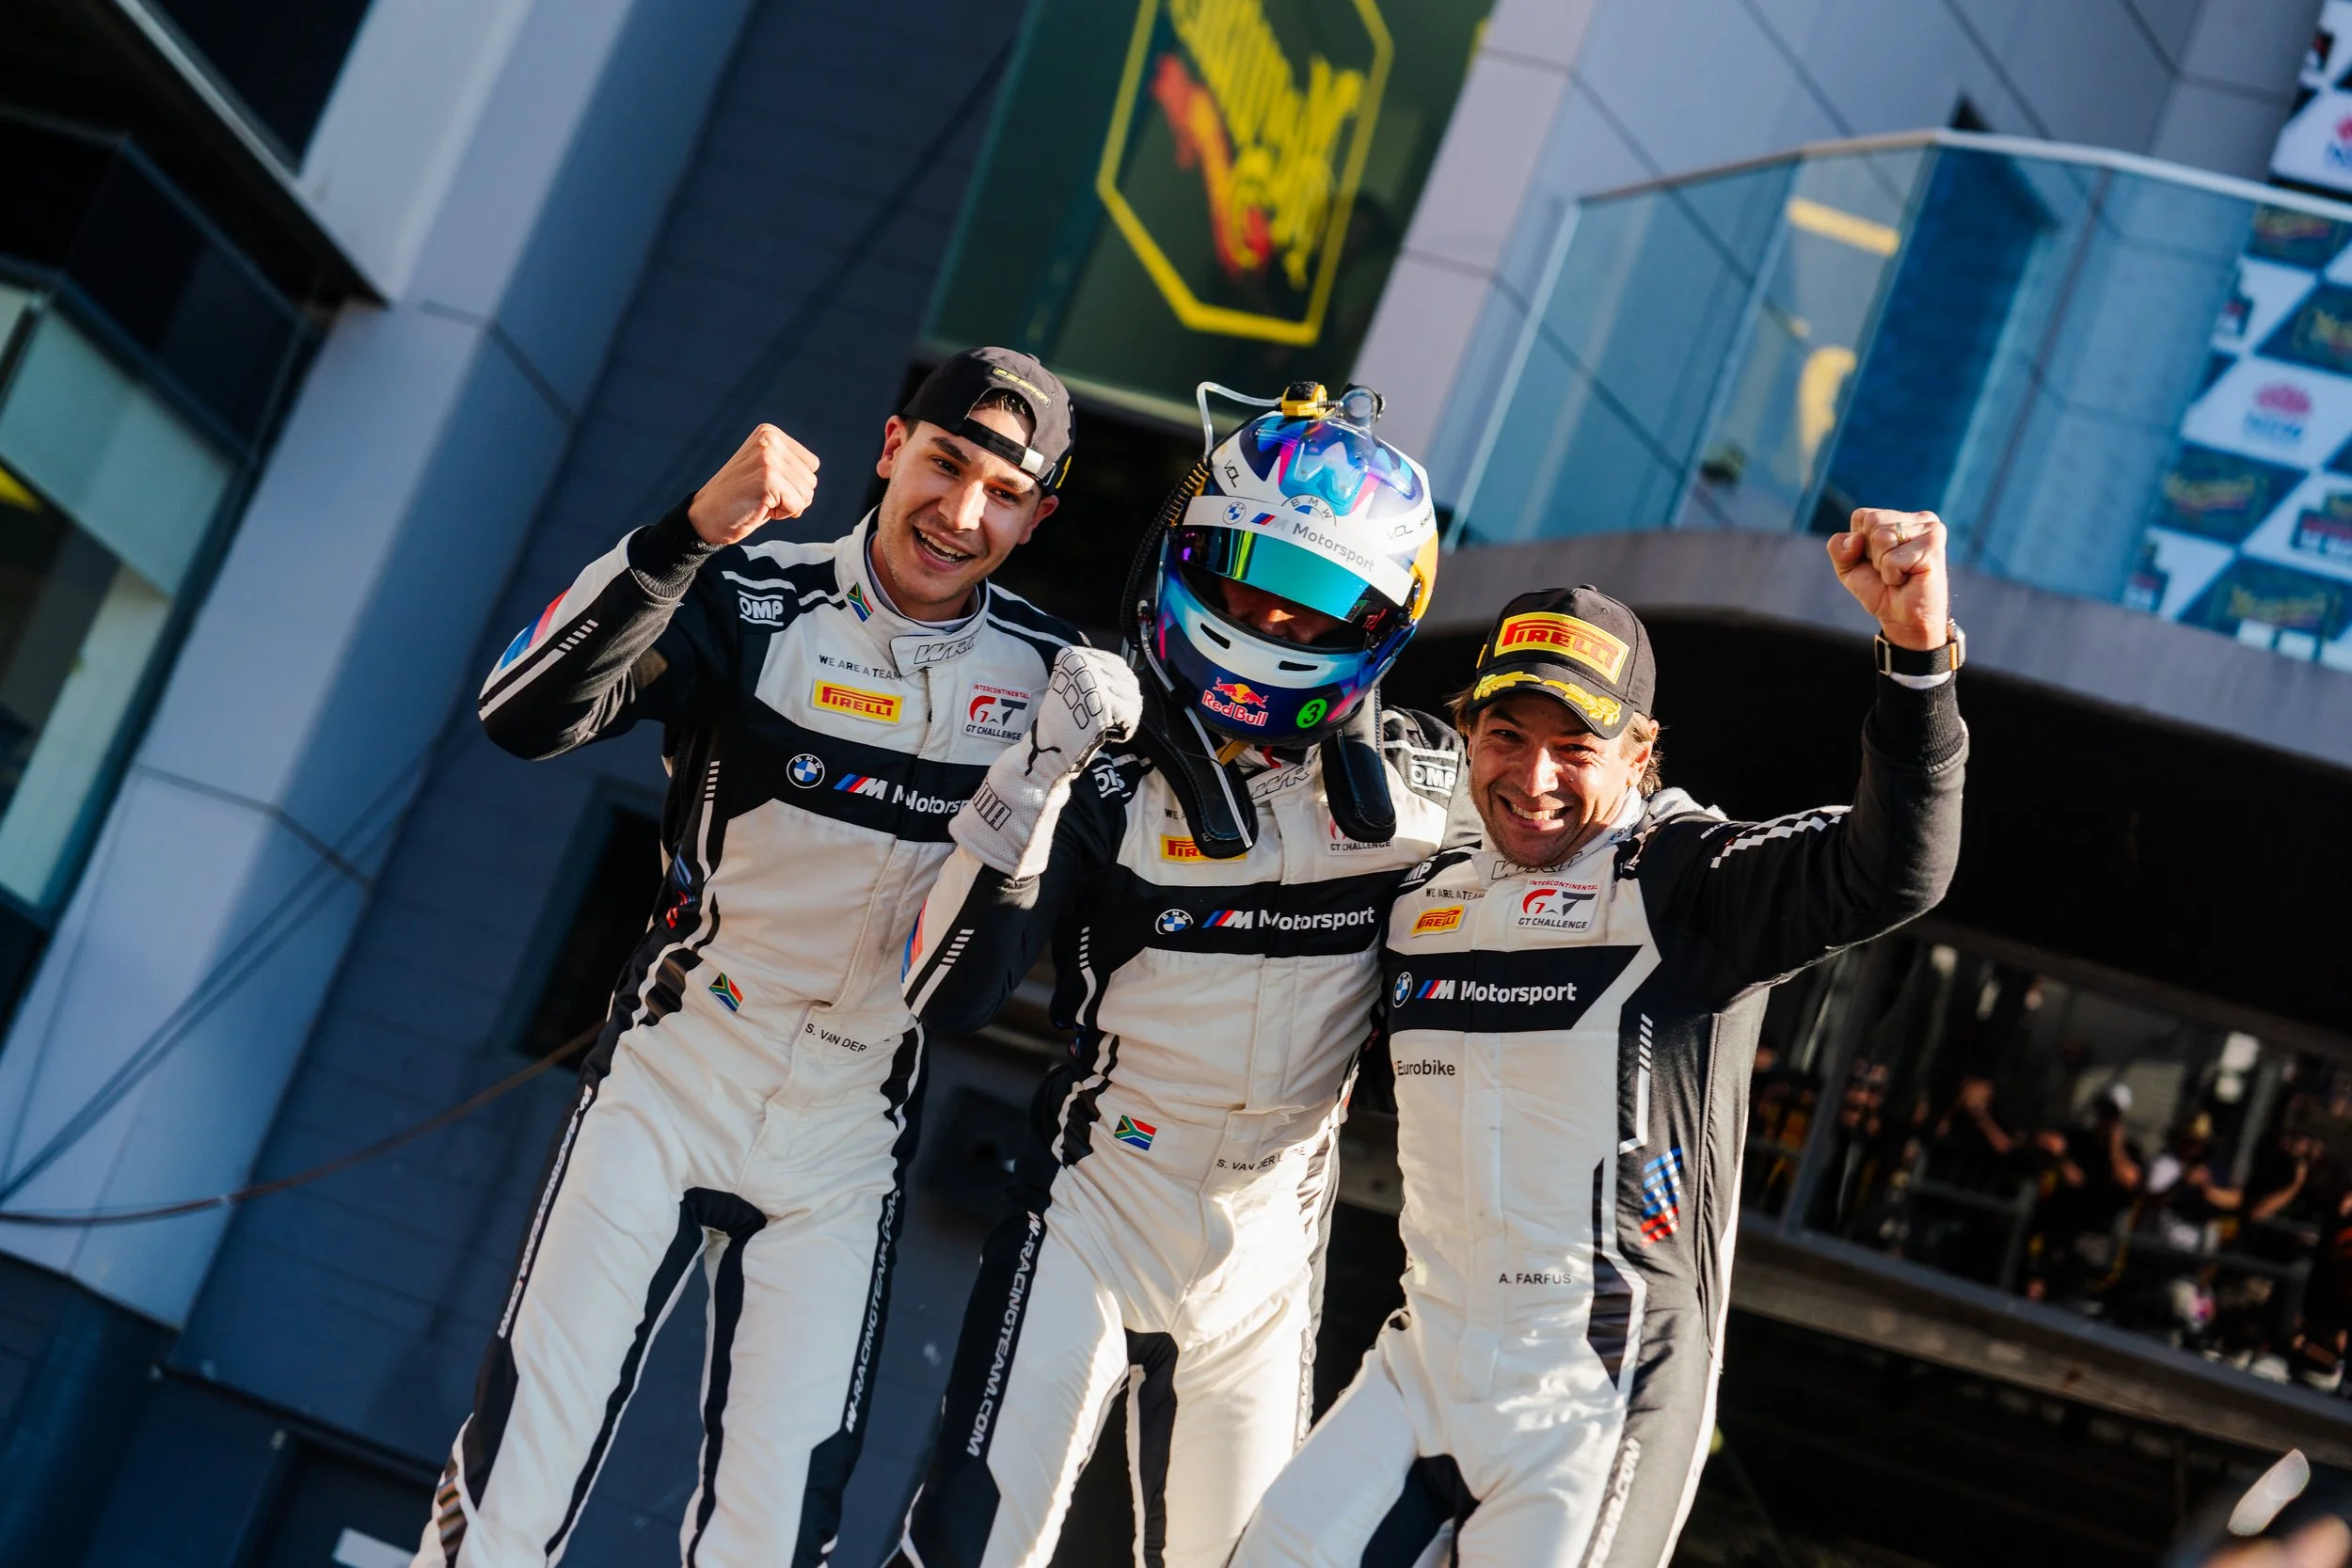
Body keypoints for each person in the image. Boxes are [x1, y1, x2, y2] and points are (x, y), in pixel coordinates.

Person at [411, 349, 1111, 1567]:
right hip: (678, 1065)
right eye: (944, 464)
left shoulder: (1057, 680)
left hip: (853, 1123)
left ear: (1039, 513)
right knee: (517, 1473)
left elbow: (981, 992)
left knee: (777, 1533)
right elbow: (519, 713)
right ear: (891, 447)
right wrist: (685, 533)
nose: (961, 513)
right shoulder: (753, 592)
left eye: (1004, 490)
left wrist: (1048, 777)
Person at [1230, 507, 1967, 1567]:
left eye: (1574, 747)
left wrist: (1915, 661)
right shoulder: (1421, 887)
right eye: (1505, 737)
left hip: (1600, 1388)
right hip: (1422, 1362)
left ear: (1640, 751)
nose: (1532, 779)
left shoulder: (1687, 877)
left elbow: (1894, 867)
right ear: (1467, 728)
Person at [887, 384, 1460, 1568]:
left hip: (1270, 1240)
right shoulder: (1093, 767)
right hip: (1097, 1203)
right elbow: (945, 994)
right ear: (1186, 553)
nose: (1270, 625)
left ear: (1379, 626)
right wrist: (1035, 776)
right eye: (1248, 584)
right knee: (969, 1546)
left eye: (1316, 613)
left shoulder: (1424, 794)